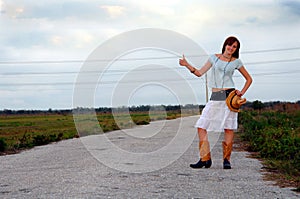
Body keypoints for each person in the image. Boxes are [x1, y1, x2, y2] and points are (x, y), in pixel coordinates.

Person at [179, 36, 252, 169]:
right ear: (225, 45)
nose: (231, 48)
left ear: (236, 49)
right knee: (202, 125)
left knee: (228, 128)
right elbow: (200, 73)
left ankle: (226, 160)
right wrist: (187, 65)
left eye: (234, 47)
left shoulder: (237, 62)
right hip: (216, 96)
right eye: (229, 45)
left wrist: (241, 92)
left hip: (230, 97)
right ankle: (205, 158)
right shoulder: (214, 58)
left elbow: (249, 79)